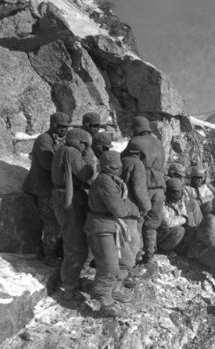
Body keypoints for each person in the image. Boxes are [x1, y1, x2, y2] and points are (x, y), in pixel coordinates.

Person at [84, 151, 141, 317]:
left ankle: (113, 289)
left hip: (113, 226)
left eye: (120, 167)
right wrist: (133, 209)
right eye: (115, 167)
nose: (119, 170)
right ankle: (103, 299)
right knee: (109, 267)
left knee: (127, 261)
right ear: (106, 167)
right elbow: (119, 209)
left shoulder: (114, 181)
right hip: (101, 227)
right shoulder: (104, 181)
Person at [51, 128, 94, 301]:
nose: (86, 148)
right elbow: (84, 173)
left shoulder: (63, 149)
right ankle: (69, 286)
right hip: (68, 200)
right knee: (75, 245)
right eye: (85, 145)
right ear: (80, 142)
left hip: (63, 197)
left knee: (74, 242)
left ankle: (73, 278)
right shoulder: (71, 152)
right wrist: (89, 160)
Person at [23, 112, 69, 267]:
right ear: (53, 125)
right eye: (61, 126)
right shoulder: (44, 139)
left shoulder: (60, 140)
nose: (64, 130)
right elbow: (48, 164)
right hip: (42, 188)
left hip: (52, 188)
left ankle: (54, 252)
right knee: (51, 224)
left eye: (66, 127)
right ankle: (49, 256)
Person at [123, 116, 166, 264]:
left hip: (144, 187)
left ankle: (135, 256)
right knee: (152, 224)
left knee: (138, 222)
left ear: (136, 128)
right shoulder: (159, 143)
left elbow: (125, 162)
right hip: (159, 188)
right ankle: (149, 255)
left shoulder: (135, 143)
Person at [120, 142, 151, 268]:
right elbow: (139, 190)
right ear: (140, 154)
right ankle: (126, 272)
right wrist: (146, 207)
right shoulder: (137, 164)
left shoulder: (120, 161)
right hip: (131, 208)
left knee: (121, 242)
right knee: (133, 242)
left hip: (117, 206)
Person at [157, 178, 201, 255]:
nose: (179, 194)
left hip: (174, 230)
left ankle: (182, 248)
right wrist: (184, 219)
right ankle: (164, 250)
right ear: (169, 192)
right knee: (180, 230)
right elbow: (167, 223)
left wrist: (186, 219)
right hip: (162, 235)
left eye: (180, 191)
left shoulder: (179, 200)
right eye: (176, 192)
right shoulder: (161, 203)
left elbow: (184, 212)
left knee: (192, 229)